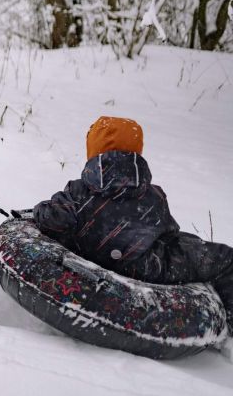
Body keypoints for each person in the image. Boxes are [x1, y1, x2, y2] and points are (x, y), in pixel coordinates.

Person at [30, 116, 233, 320]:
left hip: (89, 255)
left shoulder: (78, 192)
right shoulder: (154, 196)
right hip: (146, 269)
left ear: (92, 151)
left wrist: (38, 212)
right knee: (224, 259)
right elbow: (169, 232)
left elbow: (53, 219)